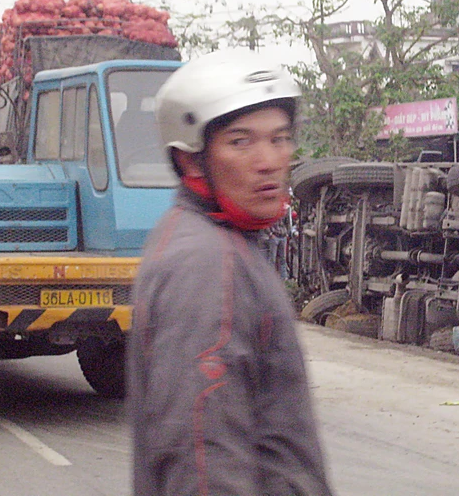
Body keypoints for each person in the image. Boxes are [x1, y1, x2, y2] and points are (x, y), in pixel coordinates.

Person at [127, 50, 335, 496]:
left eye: (280, 138)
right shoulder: (205, 265)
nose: (269, 160)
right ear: (191, 161)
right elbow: (203, 456)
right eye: (240, 142)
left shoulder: (226, 243)